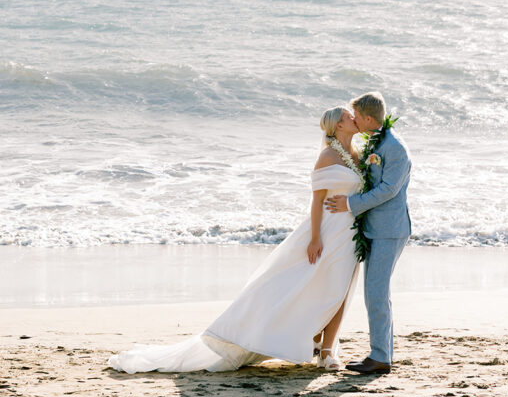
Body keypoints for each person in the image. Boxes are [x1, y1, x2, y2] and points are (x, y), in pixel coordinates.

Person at [108, 106, 362, 374]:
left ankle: (325, 348)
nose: (353, 118)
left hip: (349, 234)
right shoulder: (327, 156)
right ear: (338, 126)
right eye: (348, 116)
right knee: (301, 286)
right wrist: (314, 238)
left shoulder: (358, 156)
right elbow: (317, 201)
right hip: (325, 231)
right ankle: (313, 344)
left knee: (338, 290)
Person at [325, 91, 411, 375]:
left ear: (369, 118)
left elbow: (388, 190)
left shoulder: (395, 148)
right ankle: (382, 354)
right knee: (376, 292)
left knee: (375, 292)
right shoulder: (376, 141)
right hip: (374, 228)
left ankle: (380, 357)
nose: (354, 120)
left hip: (389, 230)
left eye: (357, 117)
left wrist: (350, 204)